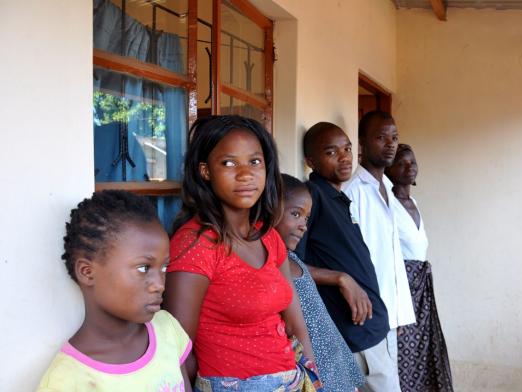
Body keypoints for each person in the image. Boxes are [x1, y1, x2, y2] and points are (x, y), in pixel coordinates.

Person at [163, 115, 319, 392]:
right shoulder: (195, 244)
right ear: (205, 171)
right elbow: (177, 348)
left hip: (291, 379)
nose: (245, 174)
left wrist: (311, 372)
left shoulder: (268, 236)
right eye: (229, 163)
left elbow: (295, 320)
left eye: (255, 161)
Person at [36, 190, 192, 391]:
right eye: (144, 268)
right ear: (87, 272)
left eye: (163, 267)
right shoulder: (67, 379)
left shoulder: (167, 330)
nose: (159, 284)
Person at [295, 121, 395, 392]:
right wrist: (341, 278)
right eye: (331, 152)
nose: (344, 157)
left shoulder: (339, 197)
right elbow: (292, 266)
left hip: (370, 329)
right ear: (311, 161)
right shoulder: (312, 197)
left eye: (348, 149)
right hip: (351, 335)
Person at [343, 110, 416, 392]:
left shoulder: (386, 187)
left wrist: (398, 313)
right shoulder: (353, 191)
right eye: (380, 137)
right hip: (368, 314)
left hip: (388, 315)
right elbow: (351, 257)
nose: (390, 144)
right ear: (361, 143)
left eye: (394, 137)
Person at [277, 174, 365, 392]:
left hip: (335, 364)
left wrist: (339, 277)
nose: (303, 226)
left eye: (306, 219)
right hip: (315, 374)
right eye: (296, 214)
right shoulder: (270, 265)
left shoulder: (292, 258)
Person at [385, 144, 454, 392]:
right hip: (403, 285)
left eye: (412, 162)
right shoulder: (388, 204)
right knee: (405, 351)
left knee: (425, 348)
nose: (409, 167)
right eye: (401, 163)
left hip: (422, 287)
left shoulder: (413, 201)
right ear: (389, 170)